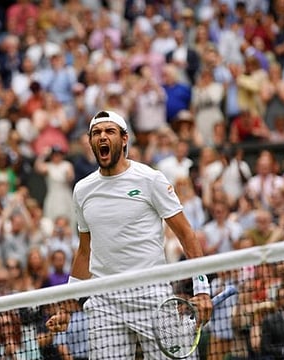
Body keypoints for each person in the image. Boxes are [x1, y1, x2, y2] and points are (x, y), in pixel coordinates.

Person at [45, 110, 212, 359]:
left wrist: (201, 290)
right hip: (104, 302)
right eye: (96, 133)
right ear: (91, 142)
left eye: (109, 131)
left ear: (124, 139)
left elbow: (187, 235)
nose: (102, 136)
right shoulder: (82, 190)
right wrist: (68, 308)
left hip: (152, 295)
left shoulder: (150, 179)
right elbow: (84, 251)